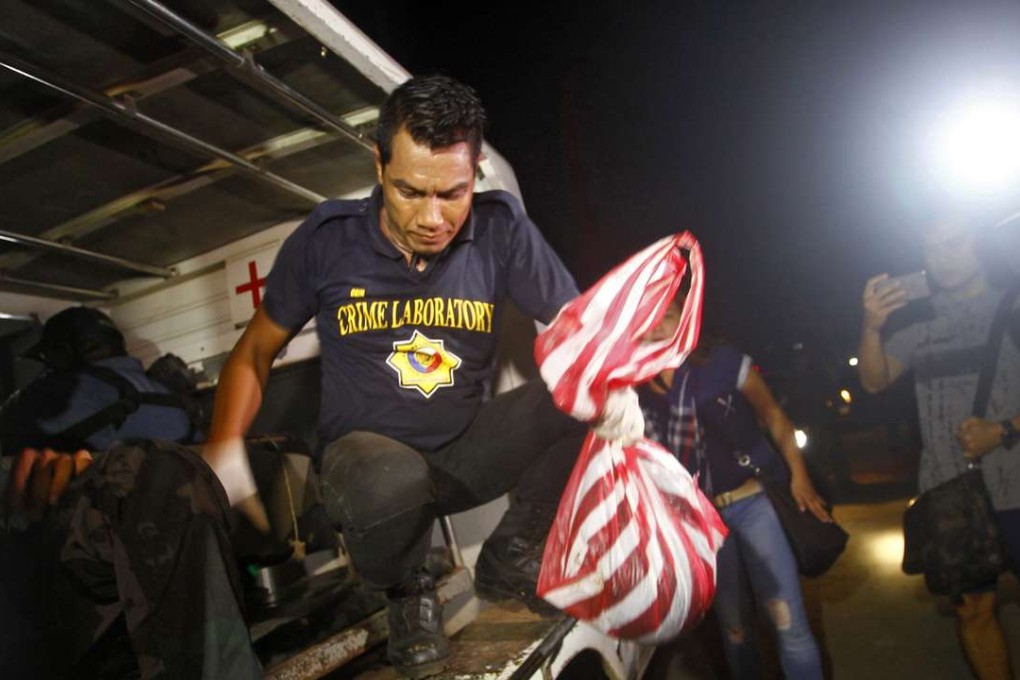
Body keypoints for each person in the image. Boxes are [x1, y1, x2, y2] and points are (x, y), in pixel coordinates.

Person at [203, 74, 634, 678]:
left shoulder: (500, 227)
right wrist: (224, 444)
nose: (434, 218)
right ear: (378, 165)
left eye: (452, 193)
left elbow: (572, 327)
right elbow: (252, 354)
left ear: (476, 170)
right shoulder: (328, 241)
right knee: (388, 482)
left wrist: (611, 380)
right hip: (369, 469)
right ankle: (409, 592)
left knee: (585, 401)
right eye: (410, 191)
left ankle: (511, 555)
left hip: (463, 454)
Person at [0, 307, 261, 679]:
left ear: (69, 352)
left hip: (118, 591)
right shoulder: (168, 394)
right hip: (209, 576)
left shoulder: (58, 393)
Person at [858, 216, 1020, 680]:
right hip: (949, 492)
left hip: (1017, 485)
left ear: (981, 243)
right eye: (932, 248)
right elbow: (874, 379)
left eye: (955, 243)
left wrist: (1004, 430)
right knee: (973, 610)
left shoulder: (1011, 307)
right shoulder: (920, 326)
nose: (943, 256)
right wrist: (871, 326)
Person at [640, 318, 830, 678]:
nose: (659, 326)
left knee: (787, 622)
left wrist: (799, 476)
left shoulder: (721, 361)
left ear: (688, 311)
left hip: (755, 505)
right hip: (701, 522)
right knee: (735, 630)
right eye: (651, 316)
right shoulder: (635, 383)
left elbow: (773, 414)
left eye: (670, 313)